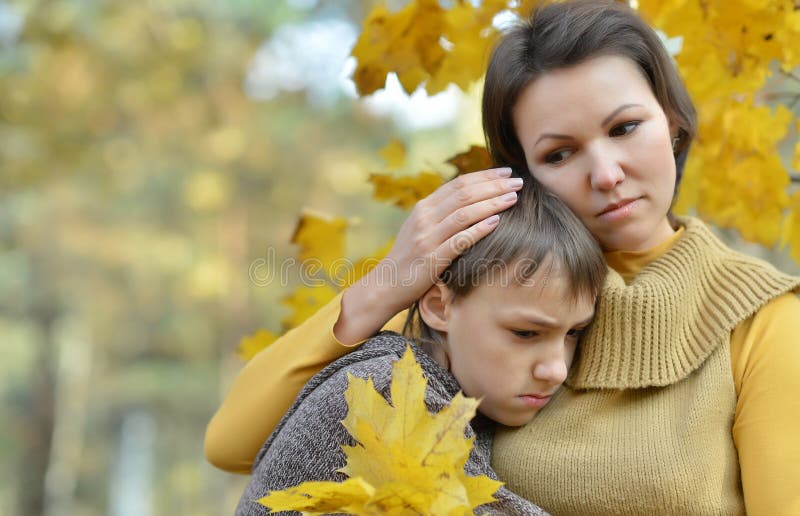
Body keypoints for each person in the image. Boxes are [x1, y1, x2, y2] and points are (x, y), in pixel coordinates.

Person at [206, 0, 800, 513]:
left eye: (624, 128)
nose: (606, 174)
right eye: (560, 154)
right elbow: (233, 445)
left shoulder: (762, 321)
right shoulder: (489, 292)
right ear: (521, 174)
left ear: (671, 124)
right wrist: (390, 281)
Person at [234, 182, 606, 516]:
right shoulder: (390, 388)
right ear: (439, 307)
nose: (556, 370)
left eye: (575, 332)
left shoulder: (453, 386)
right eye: (525, 333)